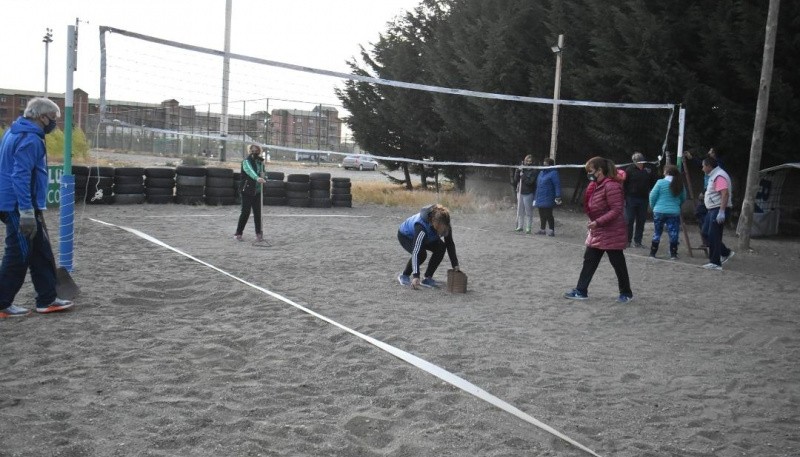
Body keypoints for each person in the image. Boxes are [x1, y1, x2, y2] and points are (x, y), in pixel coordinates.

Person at [0, 98, 74, 317]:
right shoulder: (30, 139)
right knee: (19, 253)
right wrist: (26, 212)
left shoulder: (13, 131)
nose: (55, 124)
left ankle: (47, 299)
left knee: (40, 251)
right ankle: (2, 304)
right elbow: (20, 176)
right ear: (42, 117)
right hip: (17, 204)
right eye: (53, 119)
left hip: (20, 202)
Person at [564, 157, 633, 303]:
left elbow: (616, 210)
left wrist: (598, 221)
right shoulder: (596, 185)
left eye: (591, 171)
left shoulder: (612, 186)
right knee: (589, 261)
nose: (589, 174)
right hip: (598, 230)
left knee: (618, 264)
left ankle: (626, 293)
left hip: (612, 231)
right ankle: (581, 290)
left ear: (600, 171)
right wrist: (595, 222)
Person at [397, 204, 459, 290]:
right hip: (406, 236)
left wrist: (455, 264)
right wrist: (416, 276)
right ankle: (404, 275)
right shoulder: (421, 227)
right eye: (440, 229)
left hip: (427, 236)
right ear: (434, 223)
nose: (443, 232)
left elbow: (450, 243)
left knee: (441, 247)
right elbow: (416, 252)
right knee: (421, 254)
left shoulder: (445, 224)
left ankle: (427, 278)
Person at [701, 156, 735, 270]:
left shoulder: (719, 176)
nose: (702, 168)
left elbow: (725, 194)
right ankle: (725, 252)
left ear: (709, 166)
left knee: (713, 234)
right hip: (713, 208)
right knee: (705, 232)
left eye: (703, 166)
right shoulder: (714, 175)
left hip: (718, 208)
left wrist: (721, 211)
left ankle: (715, 262)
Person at [648, 165, 687, 259]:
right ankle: (673, 253)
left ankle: (653, 253)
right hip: (673, 211)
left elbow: (652, 196)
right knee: (673, 232)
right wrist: (677, 205)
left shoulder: (660, 182)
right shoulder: (679, 183)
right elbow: (683, 198)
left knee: (657, 232)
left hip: (659, 210)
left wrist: (654, 207)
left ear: (666, 172)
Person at [622, 151, 656, 248]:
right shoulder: (629, 170)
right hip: (631, 198)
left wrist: (651, 192)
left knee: (641, 220)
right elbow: (625, 184)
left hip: (644, 199)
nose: (640, 164)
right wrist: (625, 197)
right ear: (634, 162)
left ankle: (638, 241)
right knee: (629, 220)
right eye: (638, 162)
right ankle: (627, 240)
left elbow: (654, 182)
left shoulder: (649, 170)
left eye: (641, 162)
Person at [234, 144, 266, 242]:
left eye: (256, 150)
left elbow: (264, 172)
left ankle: (258, 233)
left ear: (259, 151)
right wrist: (257, 178)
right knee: (245, 212)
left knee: (258, 213)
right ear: (249, 151)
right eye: (252, 150)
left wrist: (265, 176)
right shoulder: (246, 161)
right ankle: (238, 233)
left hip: (257, 191)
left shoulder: (261, 162)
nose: (254, 152)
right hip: (247, 190)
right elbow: (250, 171)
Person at [534, 157, 562, 236]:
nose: (544, 165)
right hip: (540, 196)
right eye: (544, 163)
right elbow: (538, 186)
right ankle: (542, 229)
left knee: (548, 214)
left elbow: (557, 185)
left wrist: (558, 196)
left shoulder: (554, 173)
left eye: (546, 164)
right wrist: (535, 197)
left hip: (548, 196)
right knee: (541, 214)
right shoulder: (541, 173)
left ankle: (551, 230)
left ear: (550, 165)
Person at [511, 155, 537, 233]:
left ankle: (528, 227)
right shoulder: (522, 168)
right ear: (524, 161)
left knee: (528, 211)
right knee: (520, 211)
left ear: (532, 162)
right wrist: (518, 171)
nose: (528, 163)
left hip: (528, 193)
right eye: (527, 161)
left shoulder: (534, 170)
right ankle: (520, 226)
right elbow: (516, 180)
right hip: (520, 192)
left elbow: (530, 182)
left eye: (530, 161)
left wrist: (523, 176)